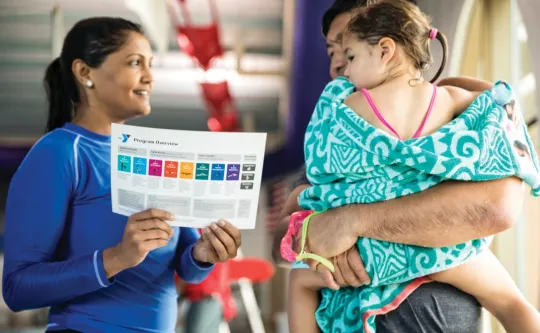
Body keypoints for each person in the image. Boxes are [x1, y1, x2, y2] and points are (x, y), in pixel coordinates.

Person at [281, 1, 540, 332]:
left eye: (348, 53)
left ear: (384, 48)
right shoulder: (452, 101)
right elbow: (490, 112)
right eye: (334, 53)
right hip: (448, 254)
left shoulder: (345, 110)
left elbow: (498, 209)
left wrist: (341, 221)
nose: (340, 66)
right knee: (512, 303)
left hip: (388, 261)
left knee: (301, 281)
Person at [2, 17, 242, 333]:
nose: (149, 77)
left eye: (150, 64)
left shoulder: (157, 156)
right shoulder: (60, 153)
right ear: (85, 72)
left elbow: (187, 266)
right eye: (134, 63)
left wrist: (204, 253)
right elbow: (18, 288)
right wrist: (117, 258)